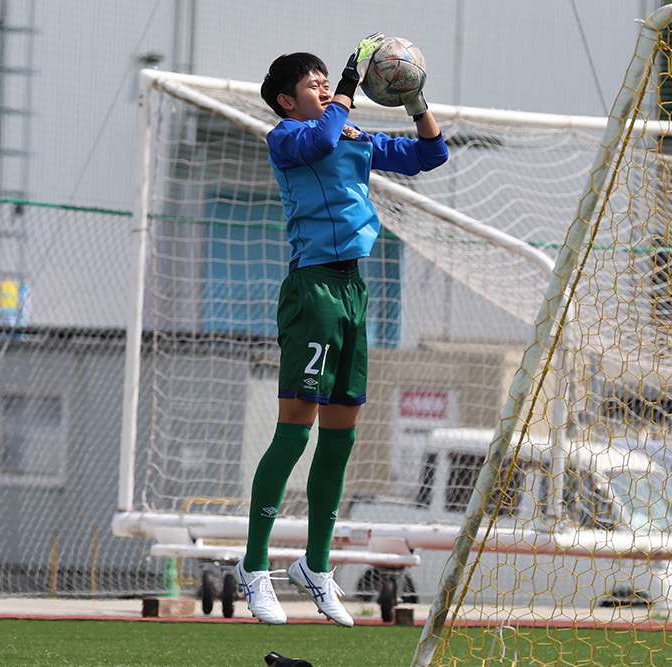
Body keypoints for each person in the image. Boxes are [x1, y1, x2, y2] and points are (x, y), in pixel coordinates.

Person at [235, 34, 449, 627]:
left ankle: (316, 566)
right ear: (286, 101)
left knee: (340, 436)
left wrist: (414, 99)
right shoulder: (287, 137)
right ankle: (254, 568)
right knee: (293, 432)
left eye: (330, 80)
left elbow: (431, 155)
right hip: (314, 292)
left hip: (354, 291)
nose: (327, 89)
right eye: (314, 84)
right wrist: (349, 93)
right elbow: (323, 138)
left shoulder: (348, 131)